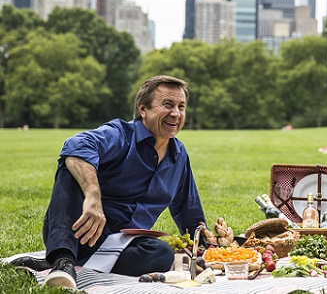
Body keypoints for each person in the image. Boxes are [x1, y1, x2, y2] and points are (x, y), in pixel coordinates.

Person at [11, 75, 208, 289]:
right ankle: (62, 263)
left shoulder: (179, 156)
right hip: (80, 229)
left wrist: (206, 247)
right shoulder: (121, 135)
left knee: (162, 253)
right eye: (167, 105)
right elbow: (75, 145)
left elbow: (189, 211)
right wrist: (93, 197)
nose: (176, 113)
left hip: (123, 245)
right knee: (71, 165)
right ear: (143, 109)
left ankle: (62, 263)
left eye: (181, 107)